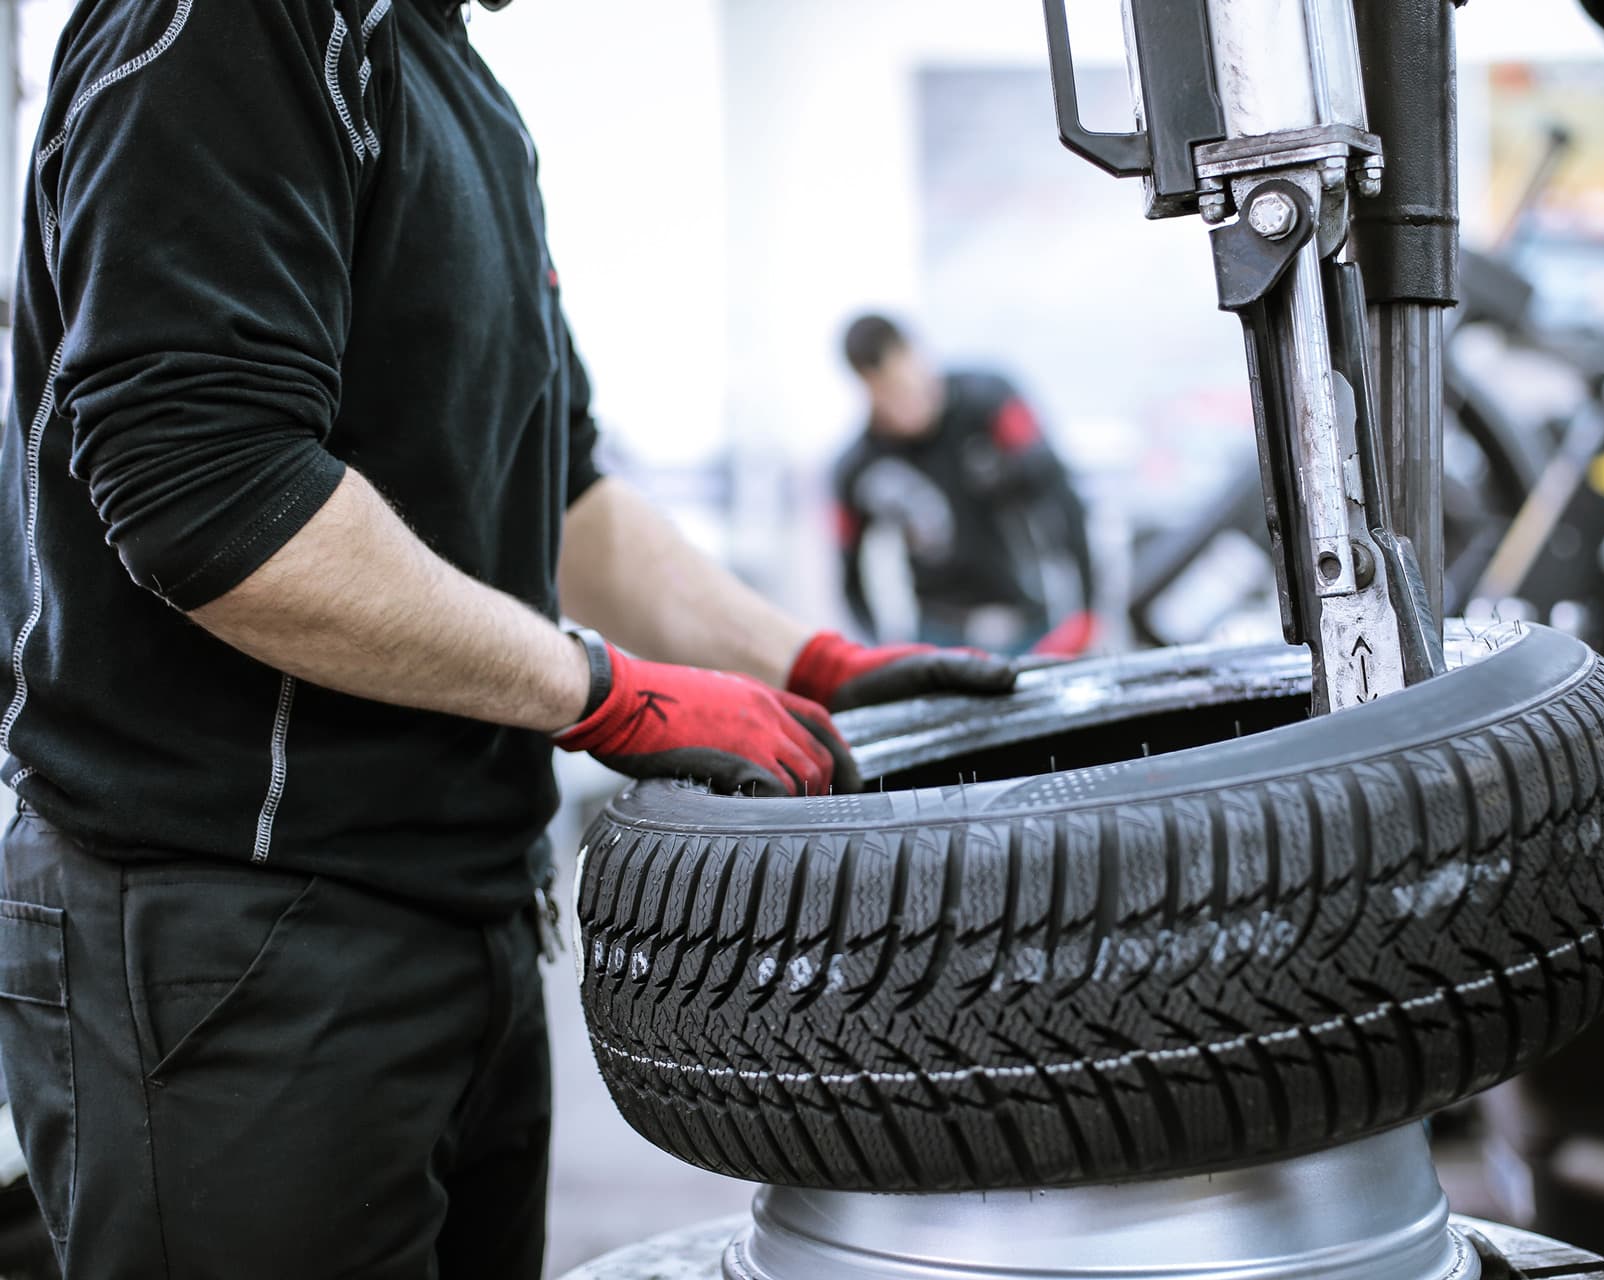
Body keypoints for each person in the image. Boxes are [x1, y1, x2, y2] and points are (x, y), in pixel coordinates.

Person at [0, 3, 1012, 1277]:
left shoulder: (451, 83)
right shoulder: (234, 25)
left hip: (454, 912)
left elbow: (568, 493)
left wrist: (804, 663)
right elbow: (213, 498)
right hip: (230, 932)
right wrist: (606, 691)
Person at [834, 314, 1098, 656]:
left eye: (910, 385)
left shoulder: (990, 403)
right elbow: (848, 572)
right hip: (938, 633)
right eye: (890, 393)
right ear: (867, 387)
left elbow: (1060, 491)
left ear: (918, 356)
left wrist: (1087, 611)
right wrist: (876, 650)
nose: (908, 404)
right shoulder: (861, 466)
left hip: (1030, 621)